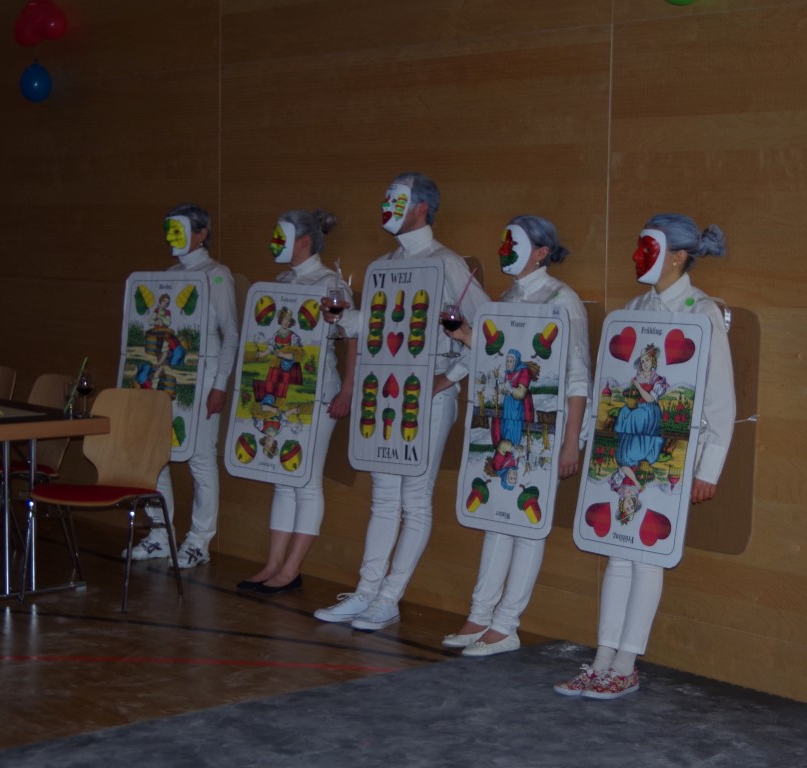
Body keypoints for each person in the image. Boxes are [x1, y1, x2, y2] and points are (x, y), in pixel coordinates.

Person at [554, 212, 735, 699]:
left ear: (677, 256)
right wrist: (597, 444)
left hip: (671, 455)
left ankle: (626, 664)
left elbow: (720, 400)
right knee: (617, 552)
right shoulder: (634, 308)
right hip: (625, 447)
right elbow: (611, 384)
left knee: (648, 556)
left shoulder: (703, 312)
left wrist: (709, 468)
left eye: (648, 247)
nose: (638, 256)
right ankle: (602, 660)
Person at [313, 172, 490, 631]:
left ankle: (389, 597)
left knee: (415, 499)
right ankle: (366, 592)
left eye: (397, 199)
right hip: (385, 396)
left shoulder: (448, 265)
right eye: (385, 197)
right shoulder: (382, 266)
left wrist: (449, 377)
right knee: (383, 499)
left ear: (422, 208)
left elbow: (489, 332)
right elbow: (374, 327)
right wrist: (341, 317)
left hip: (428, 400)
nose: (385, 206)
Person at [440, 215, 590, 656]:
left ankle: (506, 625)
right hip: (507, 421)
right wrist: (466, 337)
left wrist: (571, 442)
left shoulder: (563, 300)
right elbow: (498, 358)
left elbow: (578, 376)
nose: (505, 248)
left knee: (527, 524)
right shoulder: (506, 298)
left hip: (545, 428)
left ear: (541, 252)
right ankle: (480, 614)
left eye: (515, 242)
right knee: (495, 518)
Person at [237, 209, 355, 594]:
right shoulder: (282, 282)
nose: (274, 242)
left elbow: (354, 338)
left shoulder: (331, 283)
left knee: (305, 479)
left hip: (316, 392)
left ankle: (290, 569)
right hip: (279, 389)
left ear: (303, 240)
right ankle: (273, 564)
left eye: (281, 236)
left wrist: (348, 390)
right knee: (281, 479)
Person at [125, 203, 240, 569]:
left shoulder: (217, 275)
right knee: (156, 455)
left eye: (179, 229)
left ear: (201, 233)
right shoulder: (169, 276)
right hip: (165, 377)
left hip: (202, 380)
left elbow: (231, 333)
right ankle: (161, 534)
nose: (171, 237)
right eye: (169, 230)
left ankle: (200, 540)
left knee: (201, 459)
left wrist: (220, 385)